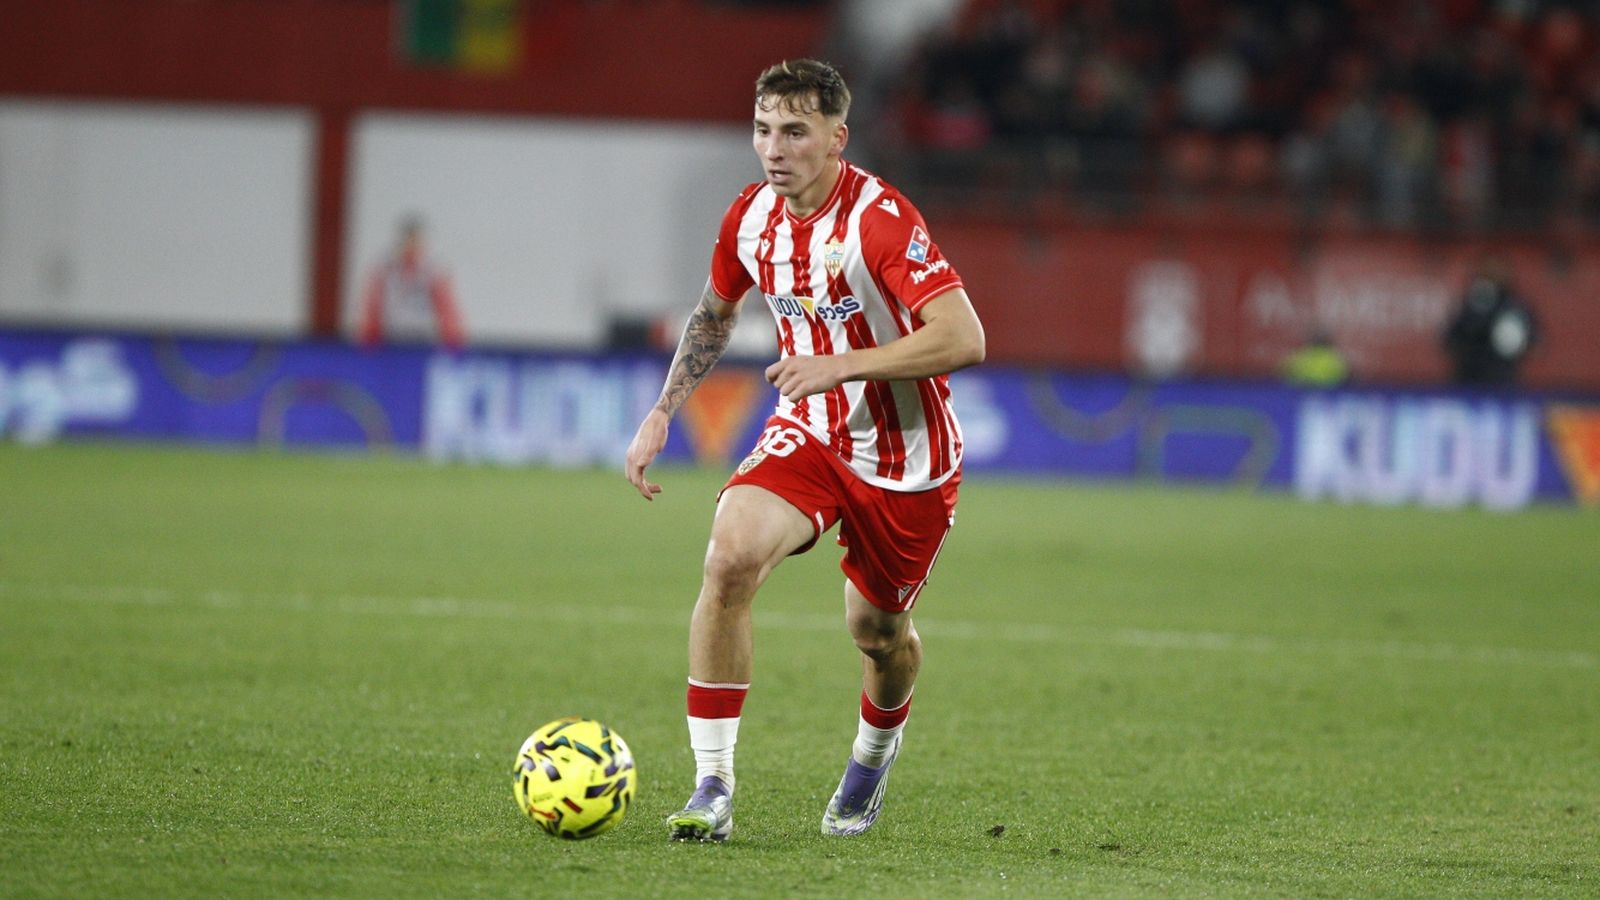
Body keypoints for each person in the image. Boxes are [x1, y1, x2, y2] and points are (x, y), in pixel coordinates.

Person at [624, 58, 985, 841]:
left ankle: (871, 759)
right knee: (728, 558)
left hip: (906, 455)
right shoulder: (748, 219)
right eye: (762, 130)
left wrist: (845, 363)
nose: (774, 148)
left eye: (794, 131)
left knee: (877, 635)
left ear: (835, 138)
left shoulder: (879, 219)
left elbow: (965, 336)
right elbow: (715, 314)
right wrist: (662, 412)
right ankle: (711, 787)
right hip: (810, 431)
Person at [357, 216, 466, 350]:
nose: (411, 246)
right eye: (408, 240)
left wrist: (453, 345)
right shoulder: (385, 271)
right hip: (390, 340)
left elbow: (448, 312)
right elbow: (372, 310)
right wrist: (368, 343)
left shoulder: (434, 272)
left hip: (424, 341)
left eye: (415, 240)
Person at [1441, 259, 1537, 388]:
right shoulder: (1472, 305)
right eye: (1488, 276)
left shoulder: (1516, 307)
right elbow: (1450, 340)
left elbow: (1535, 341)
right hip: (1468, 379)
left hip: (1501, 379)